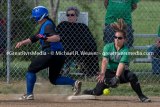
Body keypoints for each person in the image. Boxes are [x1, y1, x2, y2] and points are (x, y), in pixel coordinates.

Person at [15, 6, 82, 100]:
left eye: (35, 17)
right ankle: (74, 82)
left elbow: (57, 38)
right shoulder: (45, 25)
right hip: (60, 55)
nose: (34, 19)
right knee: (54, 79)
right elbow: (35, 37)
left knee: (31, 69)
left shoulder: (48, 25)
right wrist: (22, 42)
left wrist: (45, 38)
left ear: (40, 16)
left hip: (50, 53)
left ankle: (29, 94)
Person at [83, 19, 151, 102]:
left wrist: (117, 77)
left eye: (120, 38)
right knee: (98, 92)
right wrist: (103, 73)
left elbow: (121, 64)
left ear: (124, 40)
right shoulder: (108, 47)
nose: (117, 39)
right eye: (115, 37)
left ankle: (141, 96)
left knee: (132, 76)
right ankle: (90, 92)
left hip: (120, 72)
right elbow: (105, 60)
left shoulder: (125, 50)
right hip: (108, 72)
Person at [57, 6, 99, 77]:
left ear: (76, 16)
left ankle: (91, 74)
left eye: (72, 15)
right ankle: (58, 71)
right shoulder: (62, 25)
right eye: (68, 15)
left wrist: (83, 47)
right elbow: (56, 36)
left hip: (80, 50)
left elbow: (90, 41)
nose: (70, 16)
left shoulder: (82, 27)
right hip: (65, 49)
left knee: (91, 50)